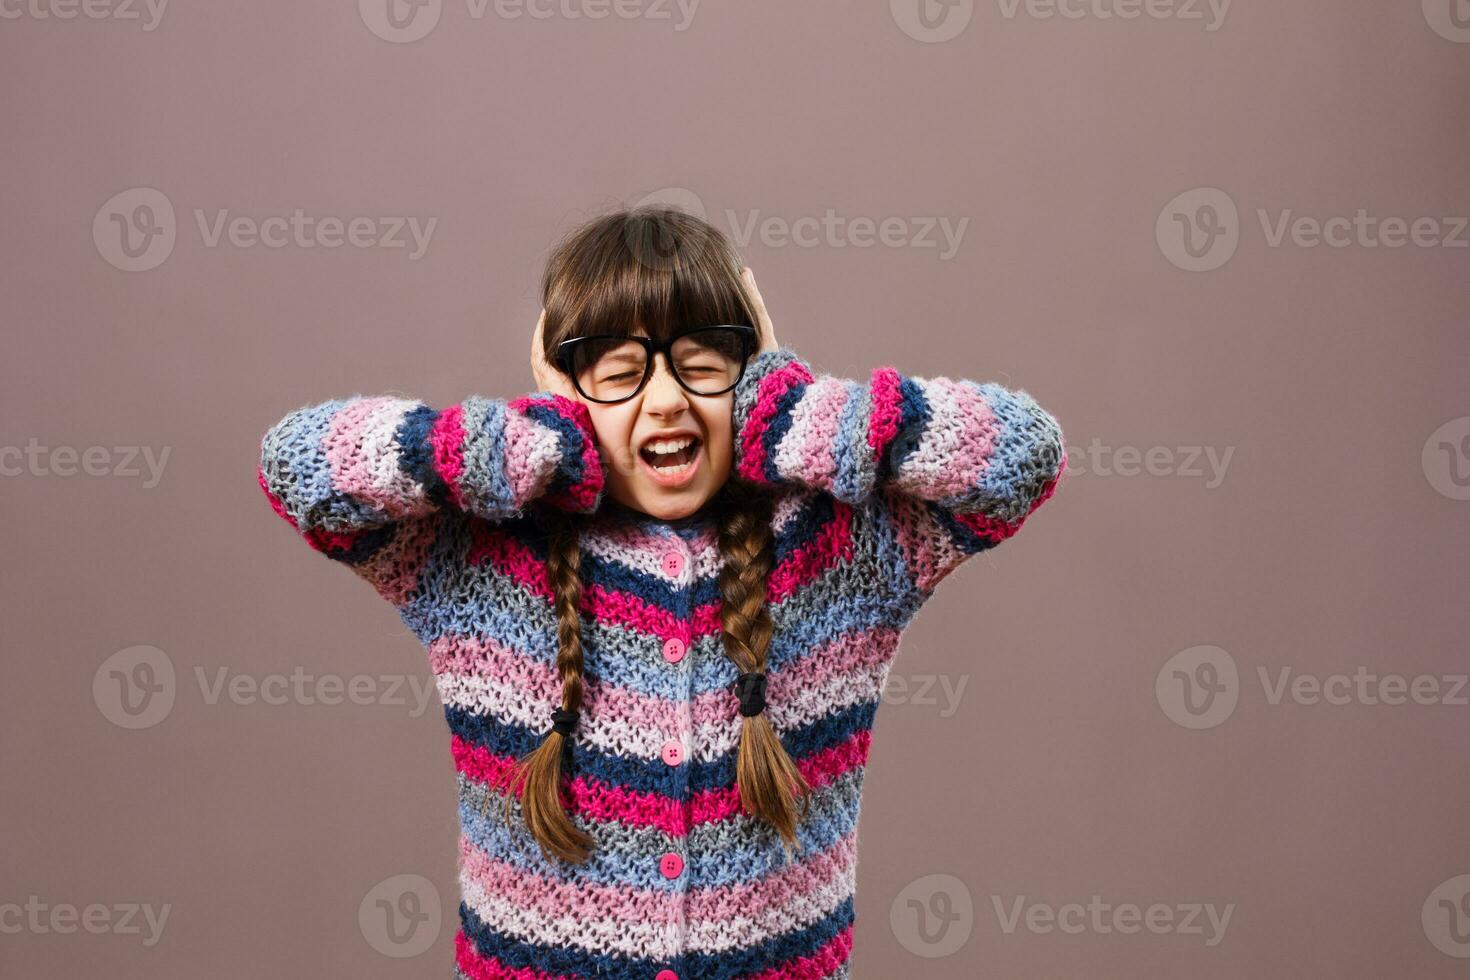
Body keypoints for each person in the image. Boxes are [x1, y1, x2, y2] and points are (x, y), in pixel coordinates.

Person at [257, 205, 1068, 979]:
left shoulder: (838, 551)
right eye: (620, 373)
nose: (668, 398)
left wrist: (801, 409)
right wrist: (518, 439)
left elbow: (1024, 457)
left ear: (746, 382)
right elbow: (301, 468)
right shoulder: (483, 561)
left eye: (703, 364)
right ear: (572, 395)